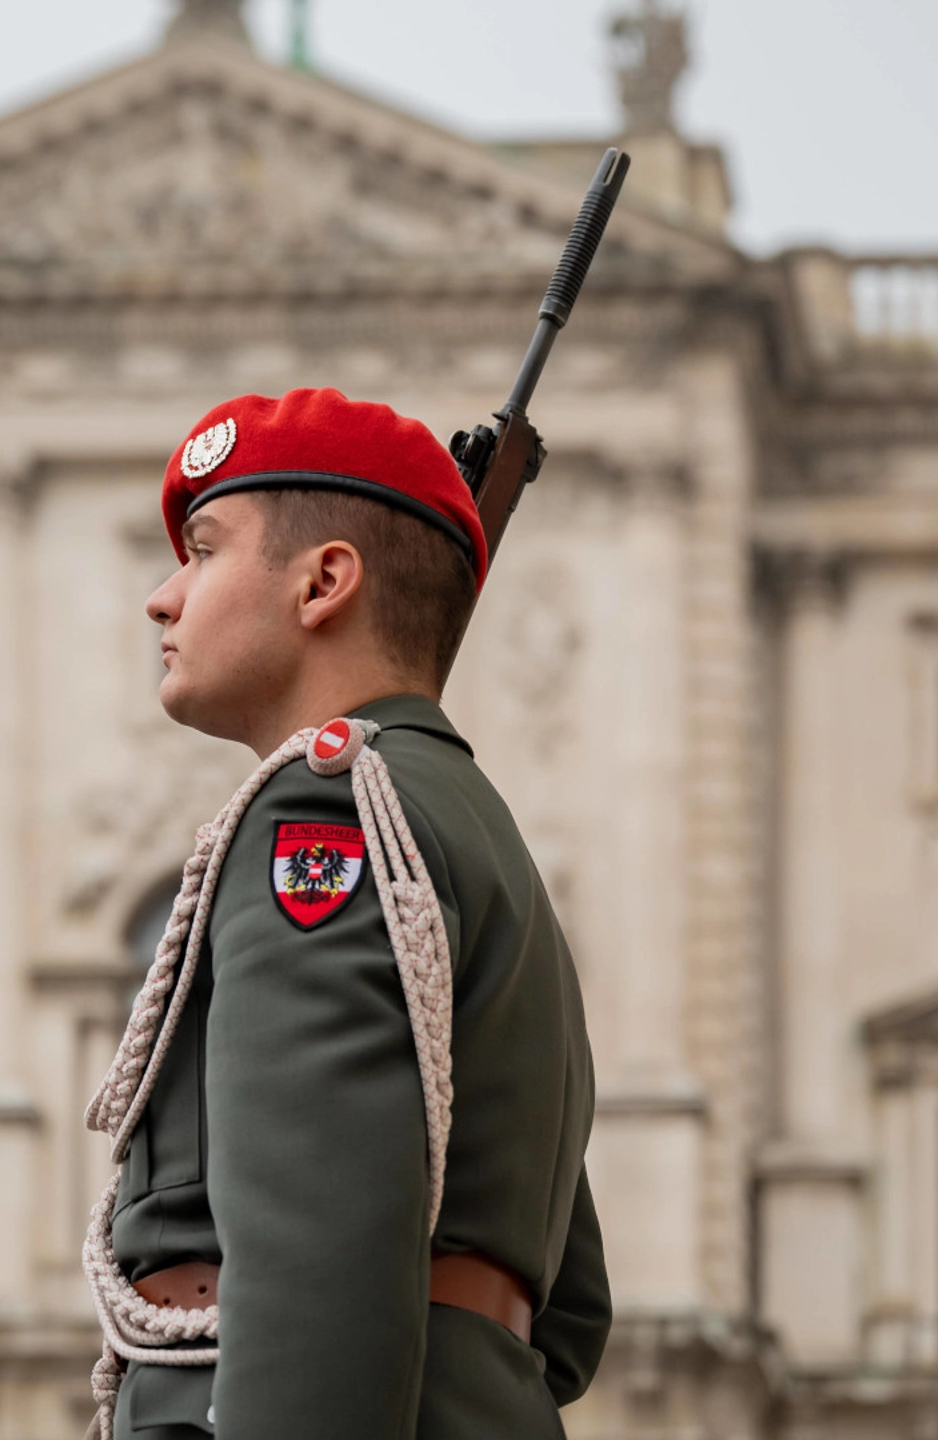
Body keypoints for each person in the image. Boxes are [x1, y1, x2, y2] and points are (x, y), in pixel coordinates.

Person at [79, 387, 611, 1440]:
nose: (161, 597)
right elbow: (569, 1309)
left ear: (324, 582)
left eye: (203, 550)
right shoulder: (469, 834)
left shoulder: (325, 808)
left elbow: (315, 1239)